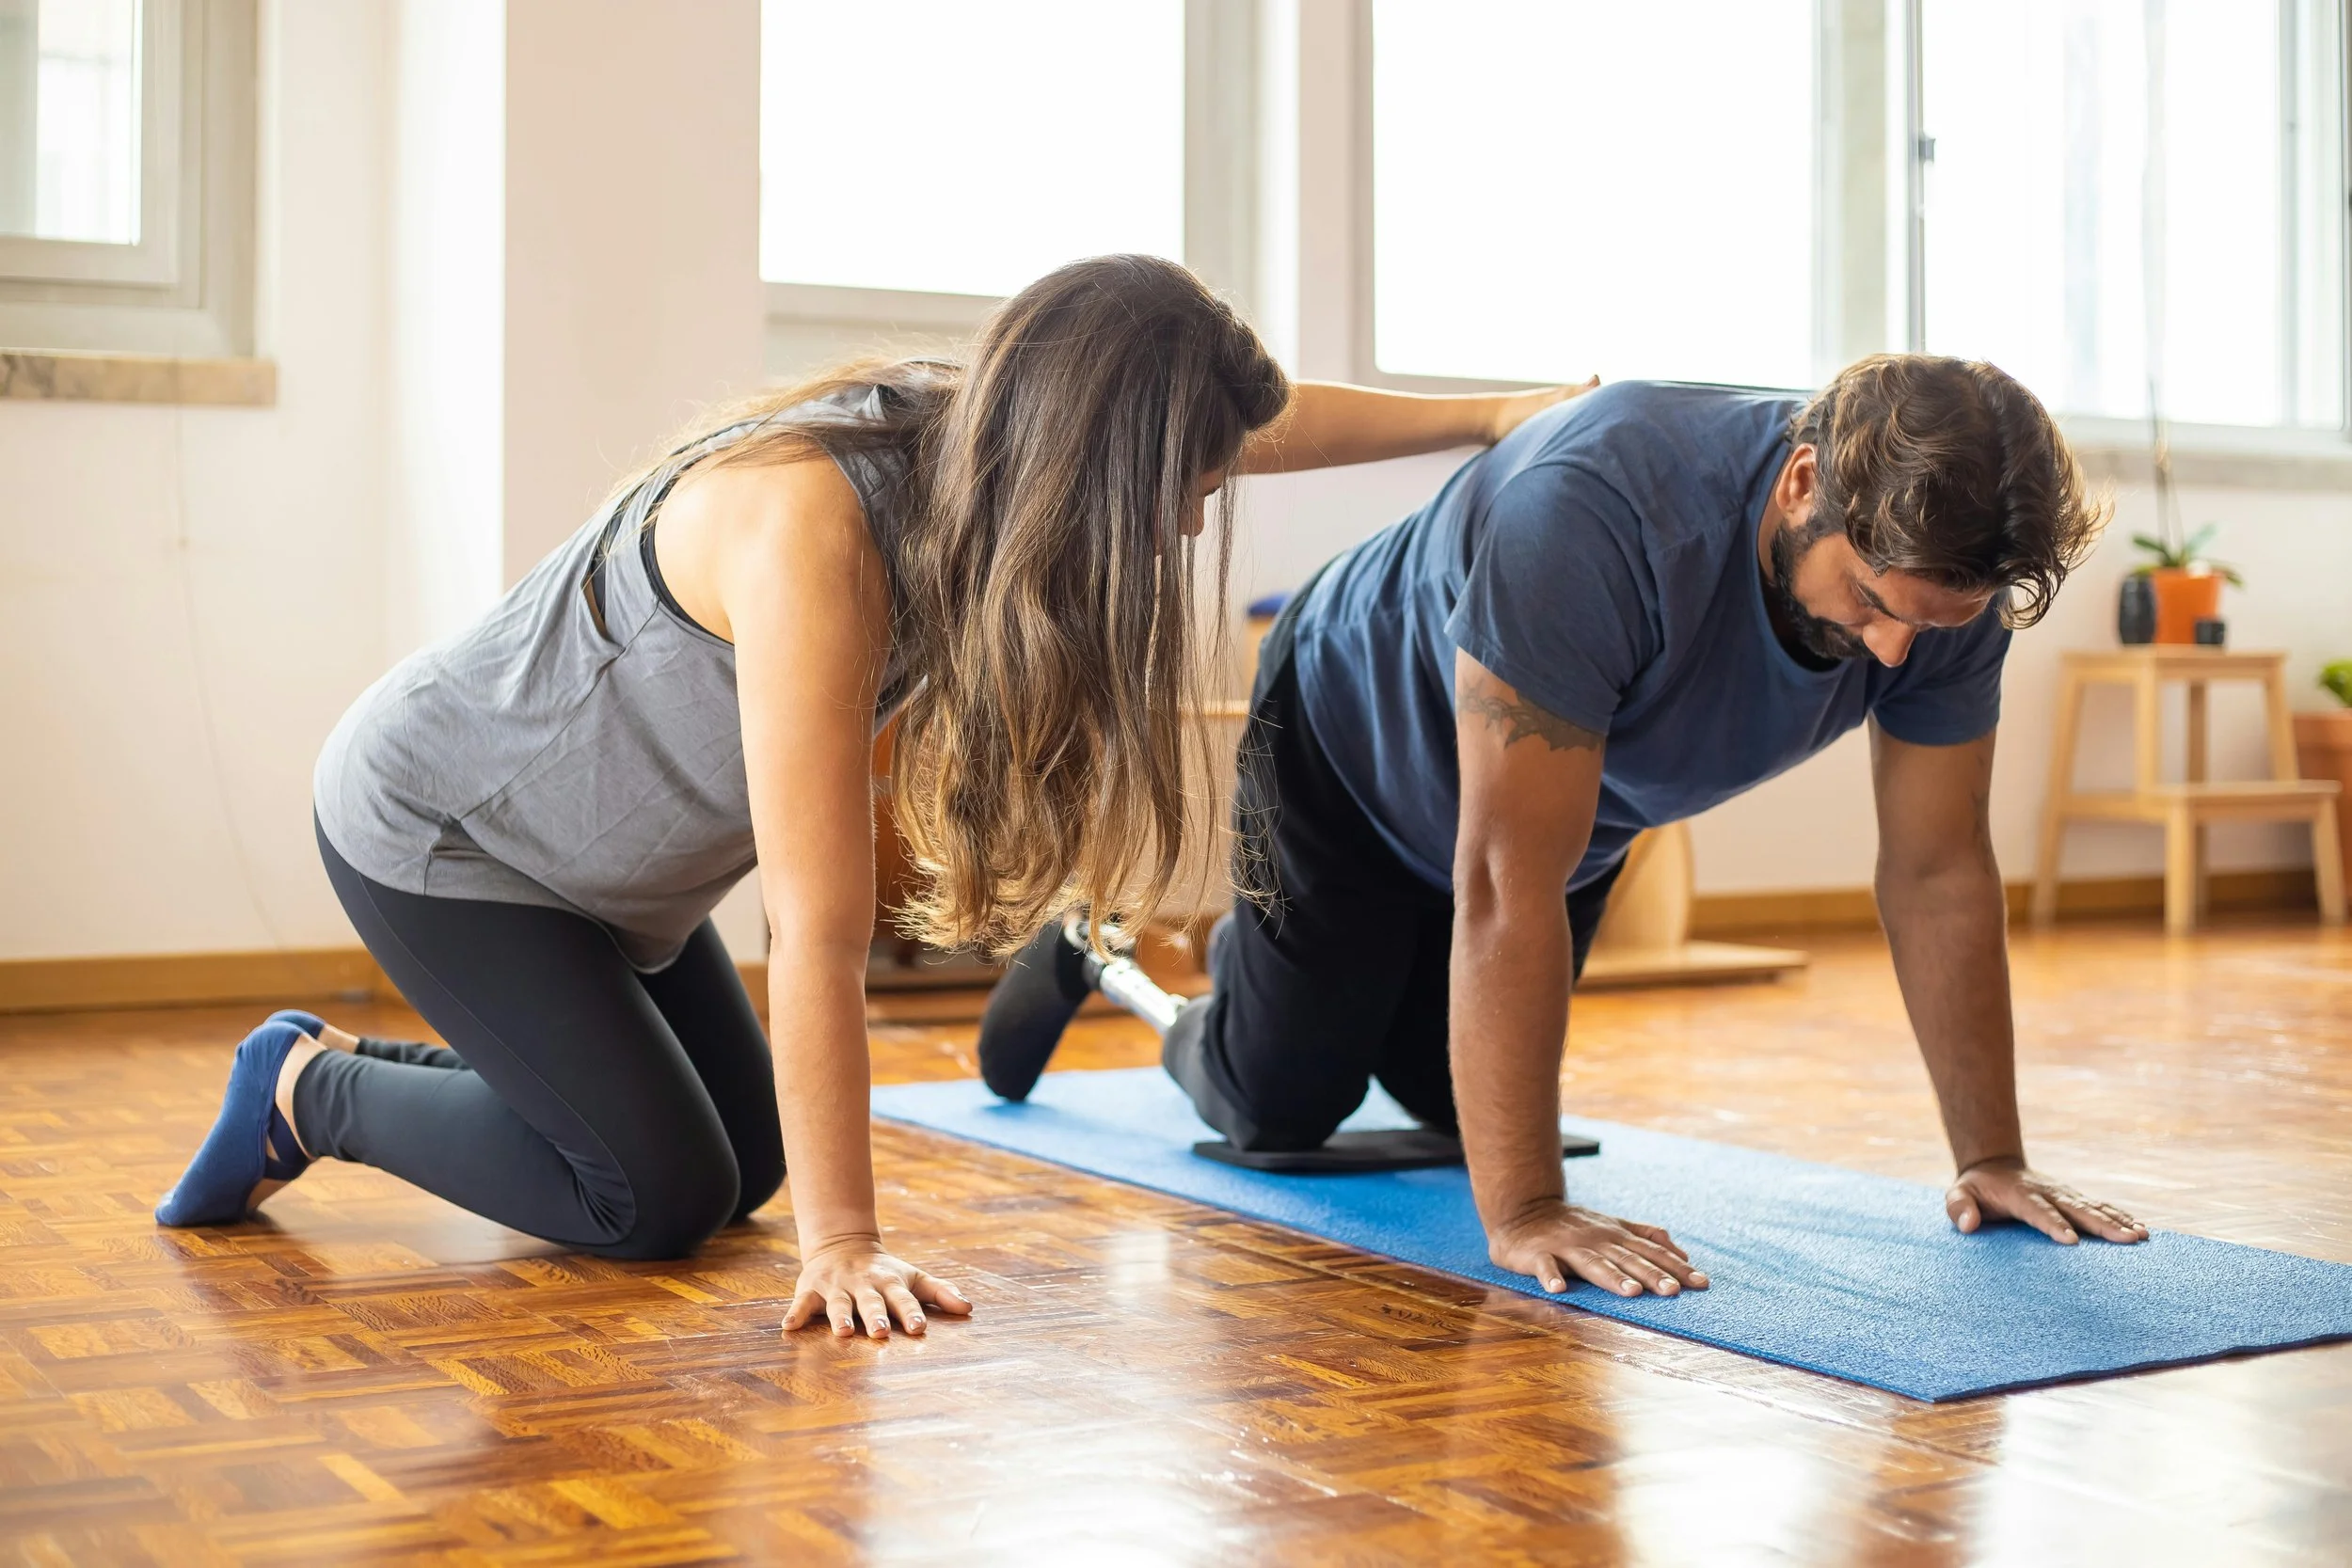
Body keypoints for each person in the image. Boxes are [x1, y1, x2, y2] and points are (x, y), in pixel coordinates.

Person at [155, 254, 1586, 1339]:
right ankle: (307, 1085)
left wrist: (1493, 415)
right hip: (455, 839)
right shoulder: (817, 531)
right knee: (649, 1199)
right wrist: (845, 1241)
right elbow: (820, 931)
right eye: (1187, 487)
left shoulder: (1011, 442)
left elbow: (1259, 425)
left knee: (746, 1159)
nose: (1199, 516)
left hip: (618, 891)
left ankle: (417, 1075)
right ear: (1105, 459)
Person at [986, 354, 2151, 1302]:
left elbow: (1939, 869)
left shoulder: (1952, 583)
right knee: (1278, 1102)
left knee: (1456, 1100)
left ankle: (1342, 988)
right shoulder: (1597, 507)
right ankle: (1107, 951)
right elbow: (1499, 882)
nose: (1895, 652)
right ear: (1802, 482)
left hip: (1564, 822)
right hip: (1342, 749)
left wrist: (1989, 1155)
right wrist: (1527, 1209)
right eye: (1876, 604)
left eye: (1934, 624)